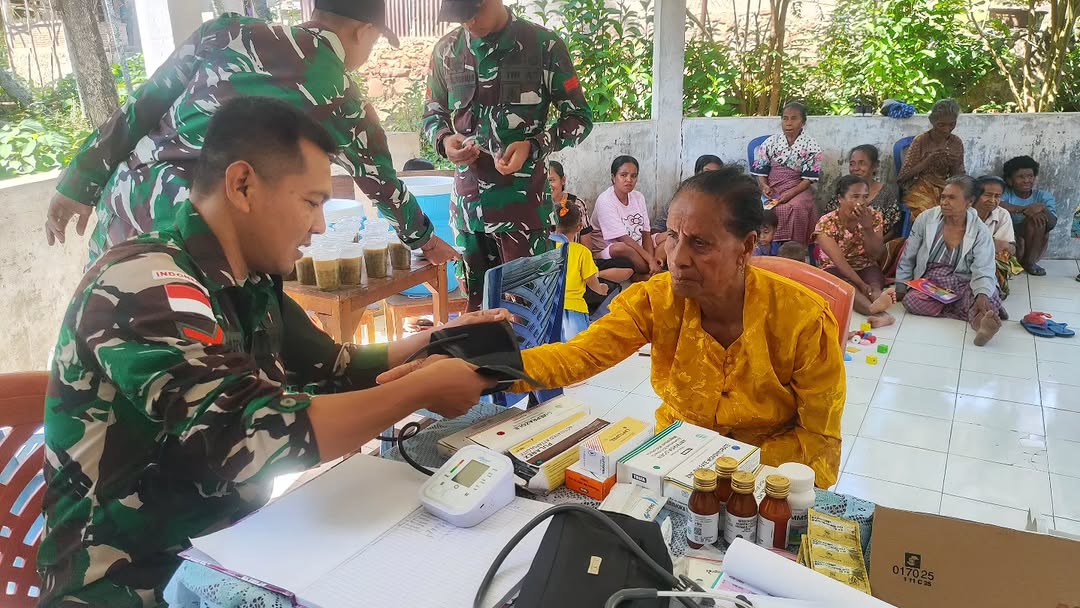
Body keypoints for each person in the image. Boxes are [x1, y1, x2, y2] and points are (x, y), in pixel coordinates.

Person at [38, 98, 503, 607]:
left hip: (235, 554)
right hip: (134, 581)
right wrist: (422, 388)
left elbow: (333, 369)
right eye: (311, 202)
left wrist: (438, 340)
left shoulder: (252, 281)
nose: (321, 226)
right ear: (242, 186)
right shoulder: (143, 286)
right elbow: (249, 437)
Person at [473, 167, 846, 487]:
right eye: (672, 235)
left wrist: (734, 473)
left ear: (746, 247)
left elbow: (820, 443)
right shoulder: (657, 299)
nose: (677, 258)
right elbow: (580, 354)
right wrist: (481, 372)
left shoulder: (803, 320)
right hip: (673, 460)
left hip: (766, 479)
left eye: (699, 243)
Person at [44, 0, 457, 267]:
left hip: (124, 211)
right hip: (196, 237)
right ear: (364, 32)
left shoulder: (225, 31)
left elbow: (141, 107)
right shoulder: (340, 94)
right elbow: (383, 184)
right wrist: (423, 238)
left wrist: (79, 182)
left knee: (104, 346)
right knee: (187, 375)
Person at [423, 0, 593, 310]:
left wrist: (535, 145)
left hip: (523, 215)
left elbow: (580, 118)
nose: (470, 22)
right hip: (468, 216)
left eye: (476, 11)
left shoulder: (544, 46)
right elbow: (432, 115)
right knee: (477, 320)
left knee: (528, 320)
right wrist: (445, 139)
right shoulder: (447, 50)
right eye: (461, 17)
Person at [897, 176, 1004, 346]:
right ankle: (970, 313)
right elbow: (908, 255)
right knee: (911, 301)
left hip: (965, 280)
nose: (944, 202)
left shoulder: (980, 231)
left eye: (952, 198)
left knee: (987, 300)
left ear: (969, 202)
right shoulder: (926, 219)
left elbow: (983, 268)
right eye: (943, 197)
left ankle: (981, 326)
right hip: (933, 280)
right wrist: (901, 285)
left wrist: (981, 294)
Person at [814, 175, 897, 327]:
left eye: (865, 197)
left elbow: (876, 254)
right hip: (835, 267)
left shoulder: (873, 217)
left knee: (874, 284)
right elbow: (839, 262)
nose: (861, 202)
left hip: (865, 264)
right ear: (840, 198)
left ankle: (880, 304)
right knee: (850, 288)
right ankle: (875, 310)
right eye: (855, 197)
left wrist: (867, 228)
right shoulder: (826, 223)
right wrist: (860, 284)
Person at [751, 102, 824, 246]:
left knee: (797, 207)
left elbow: (807, 180)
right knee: (760, 206)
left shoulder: (811, 146)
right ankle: (764, 245)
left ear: (803, 122)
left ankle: (794, 247)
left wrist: (790, 194)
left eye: (794, 118)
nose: (788, 123)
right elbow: (761, 170)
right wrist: (764, 186)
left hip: (798, 187)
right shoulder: (770, 142)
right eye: (785, 118)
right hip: (774, 186)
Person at [591, 156, 659, 280]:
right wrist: (650, 259)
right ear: (613, 177)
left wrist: (651, 258)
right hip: (609, 249)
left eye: (633, 176)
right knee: (621, 247)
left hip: (636, 245)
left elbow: (646, 232)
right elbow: (623, 238)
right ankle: (647, 272)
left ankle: (644, 273)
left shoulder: (638, 197)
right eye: (623, 175)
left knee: (667, 240)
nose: (629, 180)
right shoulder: (605, 200)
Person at [896, 99, 966, 218]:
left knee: (959, 208)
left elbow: (958, 177)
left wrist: (952, 163)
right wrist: (927, 162)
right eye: (941, 124)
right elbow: (903, 177)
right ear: (932, 121)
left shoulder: (956, 142)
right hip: (920, 187)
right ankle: (925, 236)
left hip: (945, 187)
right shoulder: (921, 141)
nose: (946, 129)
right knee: (928, 213)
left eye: (952, 124)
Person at [655, 154, 724, 267]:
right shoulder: (685, 194)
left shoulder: (722, 199)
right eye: (706, 172)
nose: (710, 177)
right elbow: (659, 225)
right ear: (697, 172)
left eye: (715, 174)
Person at [555, 203, 608, 340]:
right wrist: (601, 289)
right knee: (576, 350)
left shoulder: (546, 249)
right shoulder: (582, 252)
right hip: (574, 310)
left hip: (549, 309)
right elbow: (591, 281)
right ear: (579, 227)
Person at [823, 145, 901, 237]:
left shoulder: (887, 193)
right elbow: (827, 222)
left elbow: (892, 230)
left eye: (862, 163)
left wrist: (875, 246)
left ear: (875, 166)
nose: (855, 168)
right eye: (852, 163)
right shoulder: (843, 189)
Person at [1000, 155, 1058, 276]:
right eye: (1020, 177)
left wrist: (1043, 208)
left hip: (1034, 238)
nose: (1026, 180)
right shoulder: (1005, 193)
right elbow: (997, 205)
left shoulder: (1043, 196)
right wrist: (1025, 209)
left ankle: (1030, 262)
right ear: (1010, 180)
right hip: (1009, 235)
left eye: (1030, 176)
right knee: (1034, 216)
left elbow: (1052, 224)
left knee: (1039, 219)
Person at [975, 175, 1021, 298]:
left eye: (997, 196)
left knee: (1001, 255)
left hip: (989, 256)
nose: (993, 200)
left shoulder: (1002, 214)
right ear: (975, 195)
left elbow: (1009, 248)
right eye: (988, 195)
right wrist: (991, 243)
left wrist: (997, 245)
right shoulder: (965, 212)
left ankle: (993, 289)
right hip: (966, 255)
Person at [548, 160, 593, 250]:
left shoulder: (577, 205)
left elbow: (586, 247)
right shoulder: (536, 208)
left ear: (563, 180)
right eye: (542, 182)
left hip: (574, 258)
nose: (547, 186)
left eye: (551, 180)